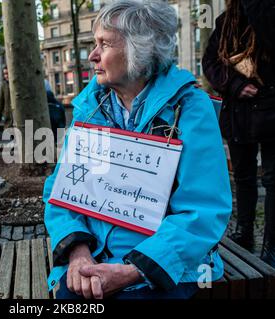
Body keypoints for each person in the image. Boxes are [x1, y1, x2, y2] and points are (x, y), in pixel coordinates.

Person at [43, 0, 232, 299]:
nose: (92, 56)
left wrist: (132, 269)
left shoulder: (190, 108)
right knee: (67, 296)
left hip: (164, 266)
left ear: (139, 49)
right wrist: (78, 252)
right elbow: (60, 191)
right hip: (91, 258)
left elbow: (203, 209)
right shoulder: (89, 108)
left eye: (103, 44)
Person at [202, 0, 275, 270]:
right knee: (244, 177)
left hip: (274, 111)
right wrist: (235, 84)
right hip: (239, 114)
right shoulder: (227, 21)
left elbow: (273, 40)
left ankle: (274, 245)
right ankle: (243, 234)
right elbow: (210, 61)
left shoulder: (272, 13)